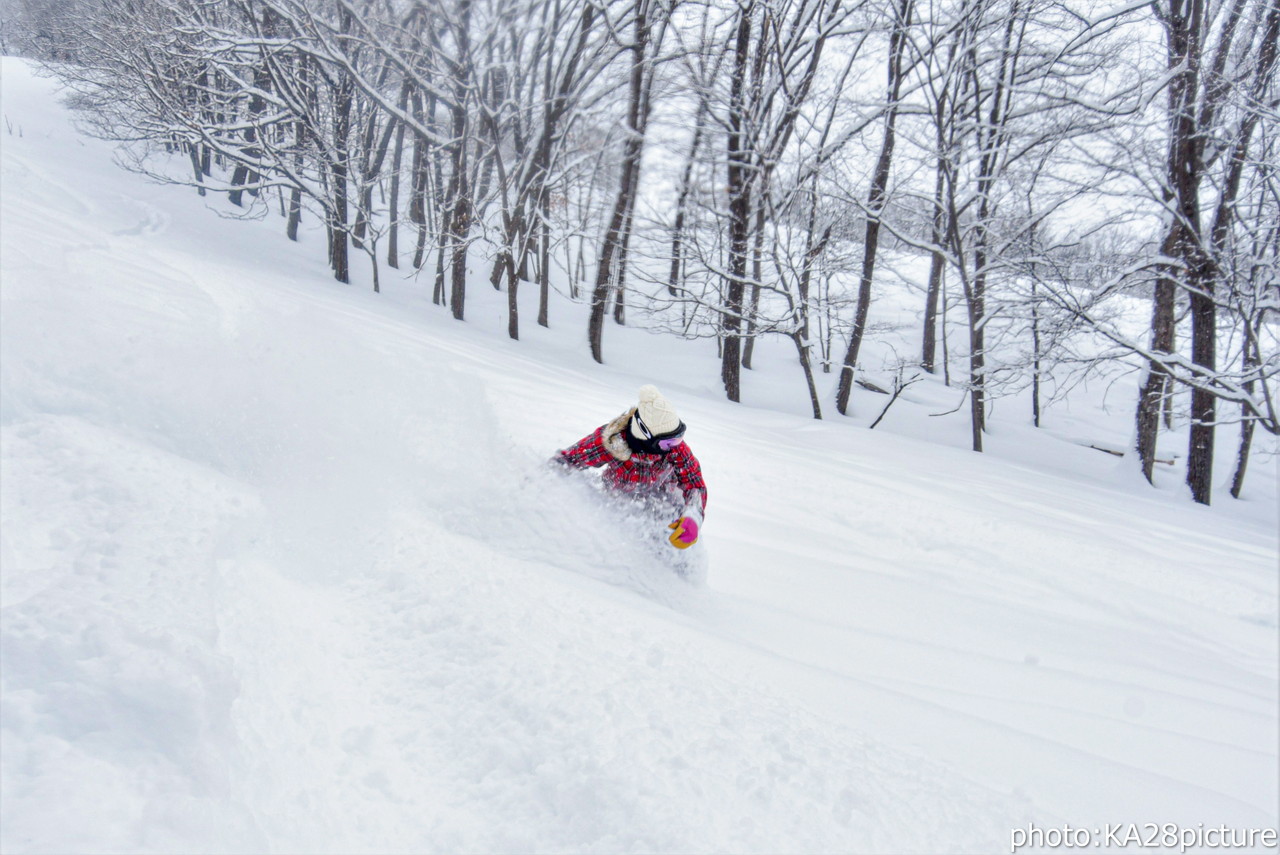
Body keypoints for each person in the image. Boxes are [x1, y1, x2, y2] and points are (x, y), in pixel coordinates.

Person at [553, 385, 707, 549]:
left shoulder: (675, 450)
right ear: (645, 435)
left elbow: (695, 485)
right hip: (621, 516)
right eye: (667, 442)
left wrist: (693, 516)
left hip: (668, 520)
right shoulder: (610, 442)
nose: (674, 446)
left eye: (677, 439)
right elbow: (566, 462)